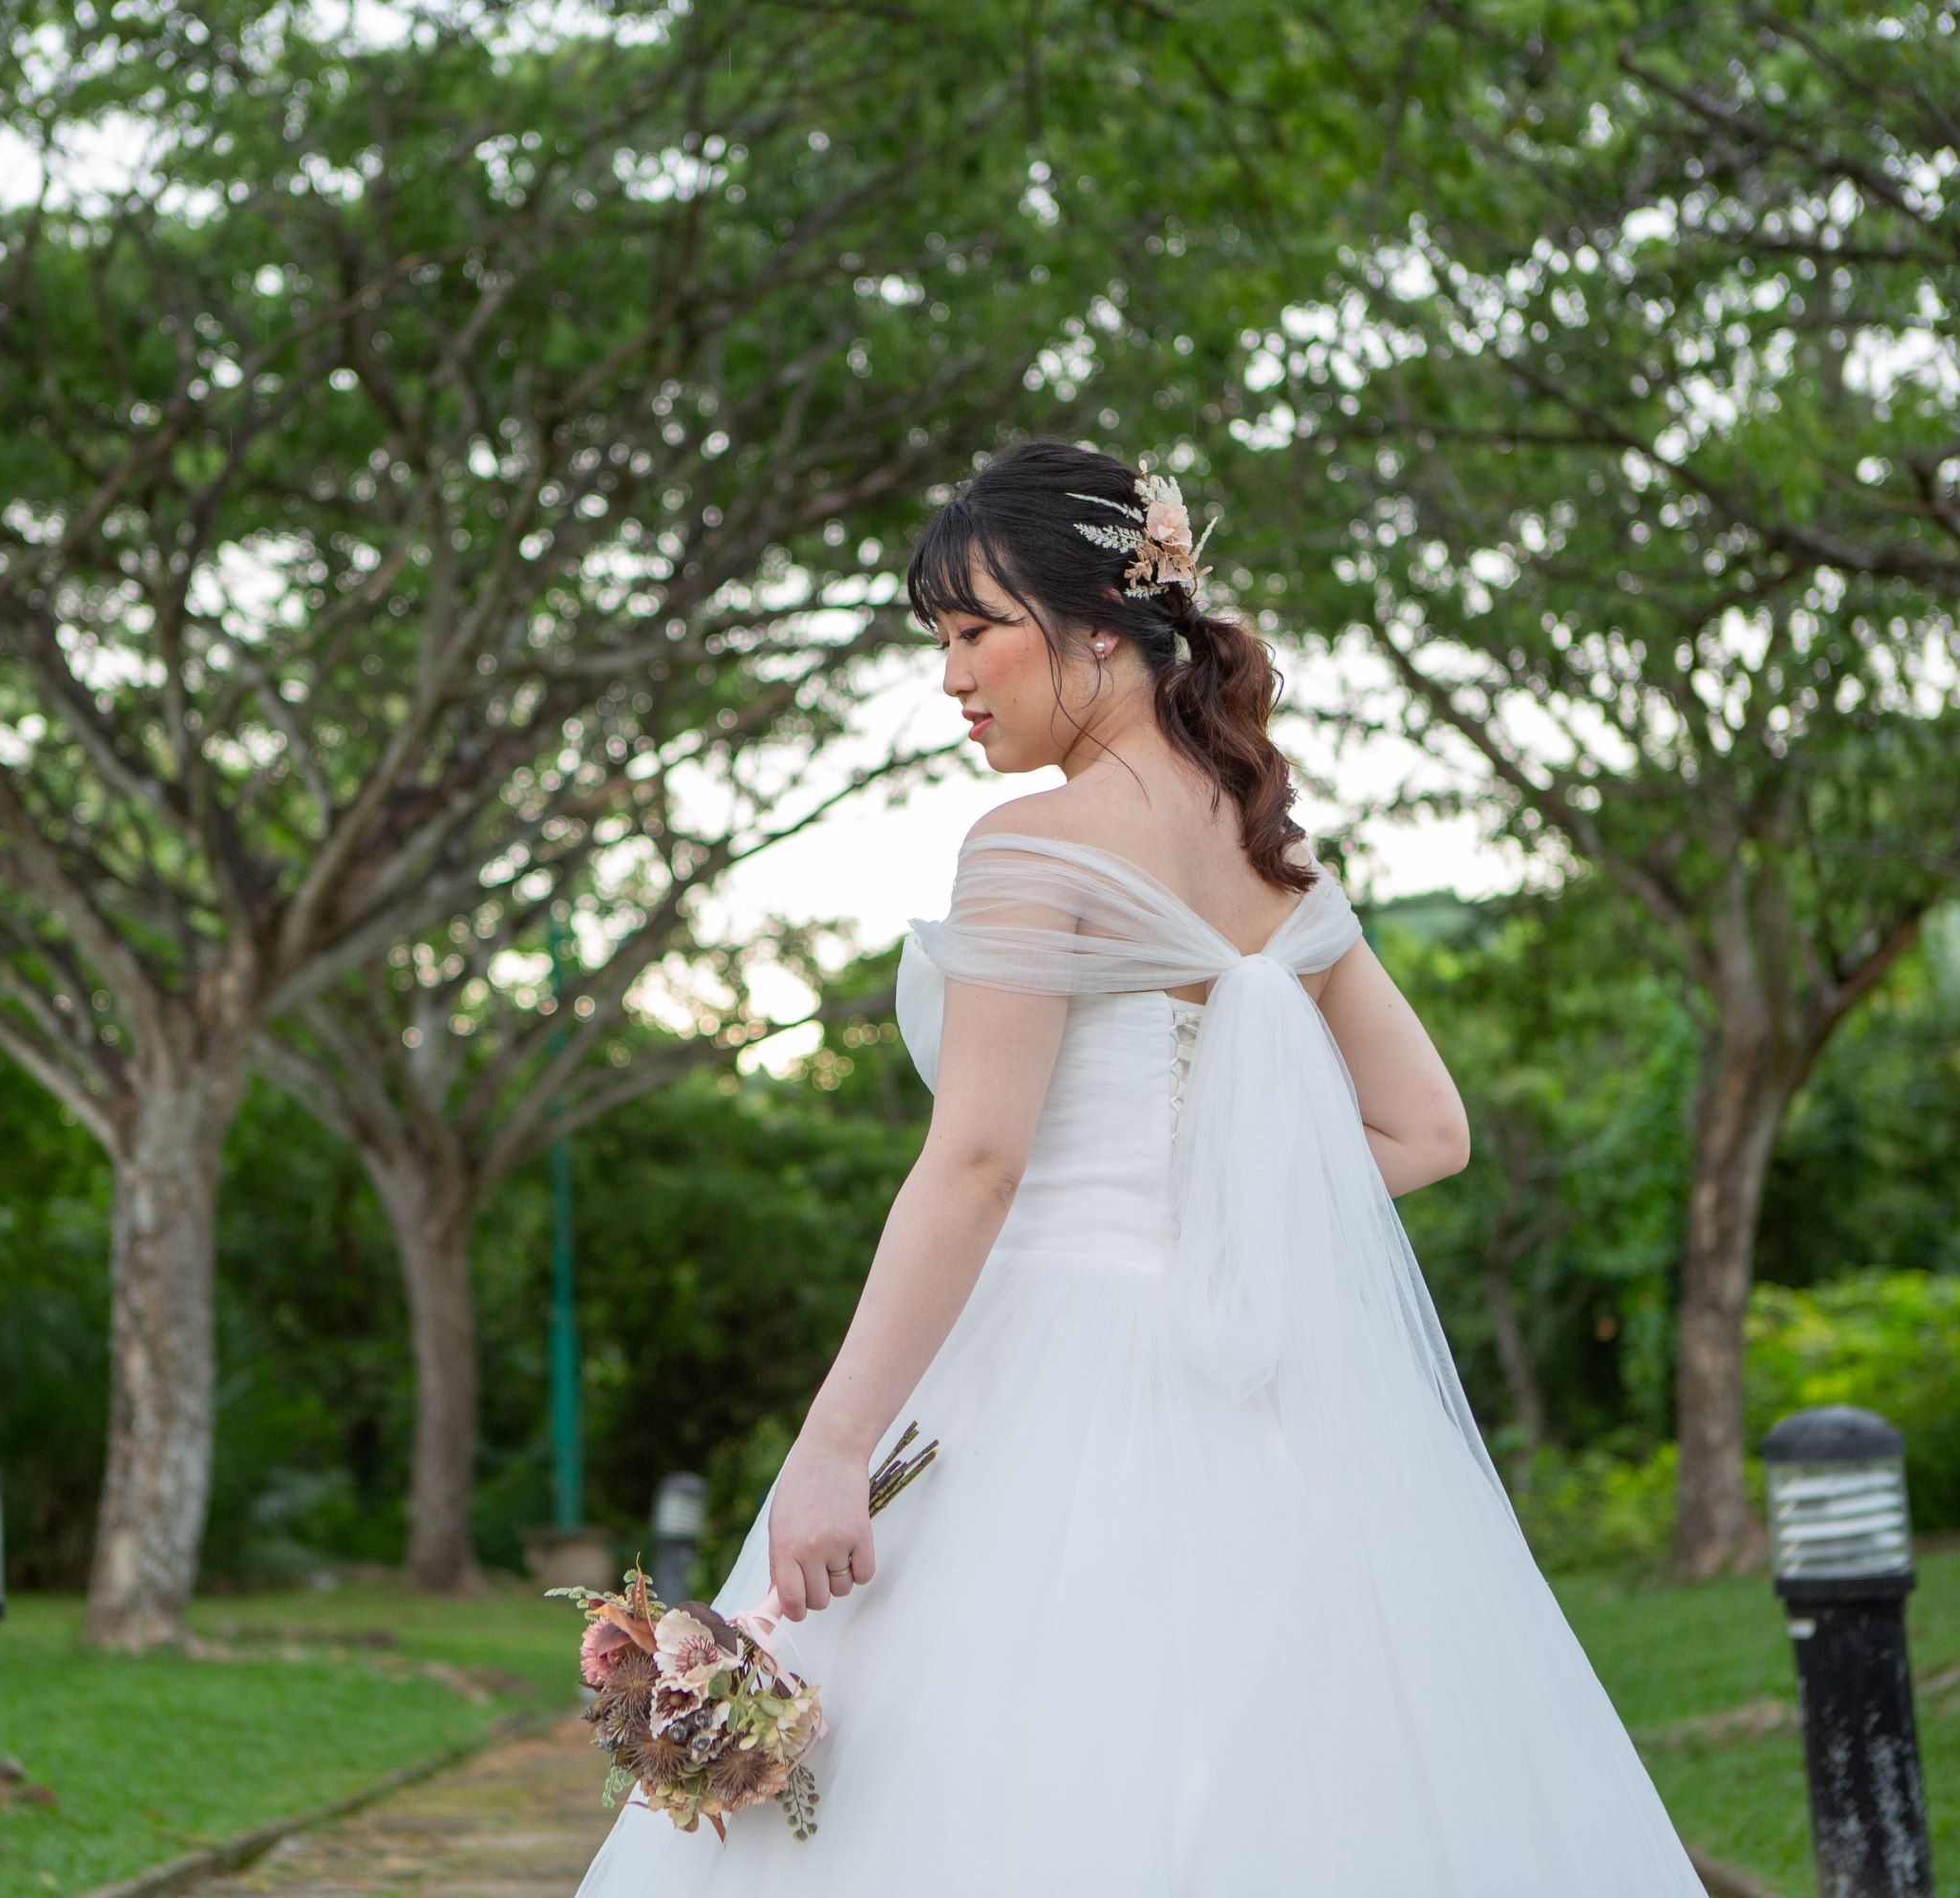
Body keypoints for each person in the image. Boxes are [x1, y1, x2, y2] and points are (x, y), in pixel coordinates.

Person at [571, 440, 1704, 1895]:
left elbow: (974, 1166)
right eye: (940, 639)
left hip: (1036, 1366)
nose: (952, 675)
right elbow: (1429, 1133)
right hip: (1273, 1403)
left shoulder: (1033, 852)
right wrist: (1230, 1213)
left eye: (976, 630)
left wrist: (833, 1448)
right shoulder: (1273, 859)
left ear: (1100, 624)